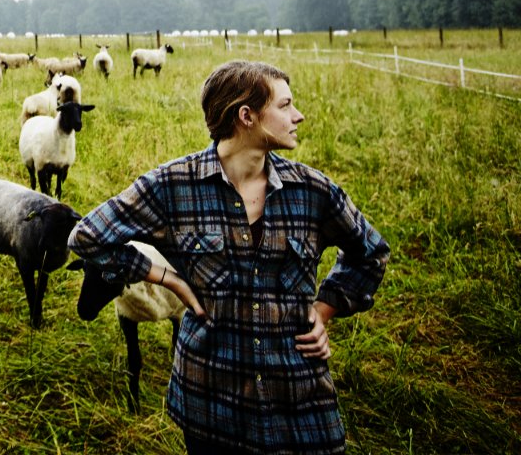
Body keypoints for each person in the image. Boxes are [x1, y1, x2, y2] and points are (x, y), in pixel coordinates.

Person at [68, 60, 389, 454]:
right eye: (285, 105)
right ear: (247, 116)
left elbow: (371, 253)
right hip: (210, 400)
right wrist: (167, 279)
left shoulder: (313, 191)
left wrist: (322, 311)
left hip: (297, 398)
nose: (298, 115)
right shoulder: (172, 186)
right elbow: (86, 237)